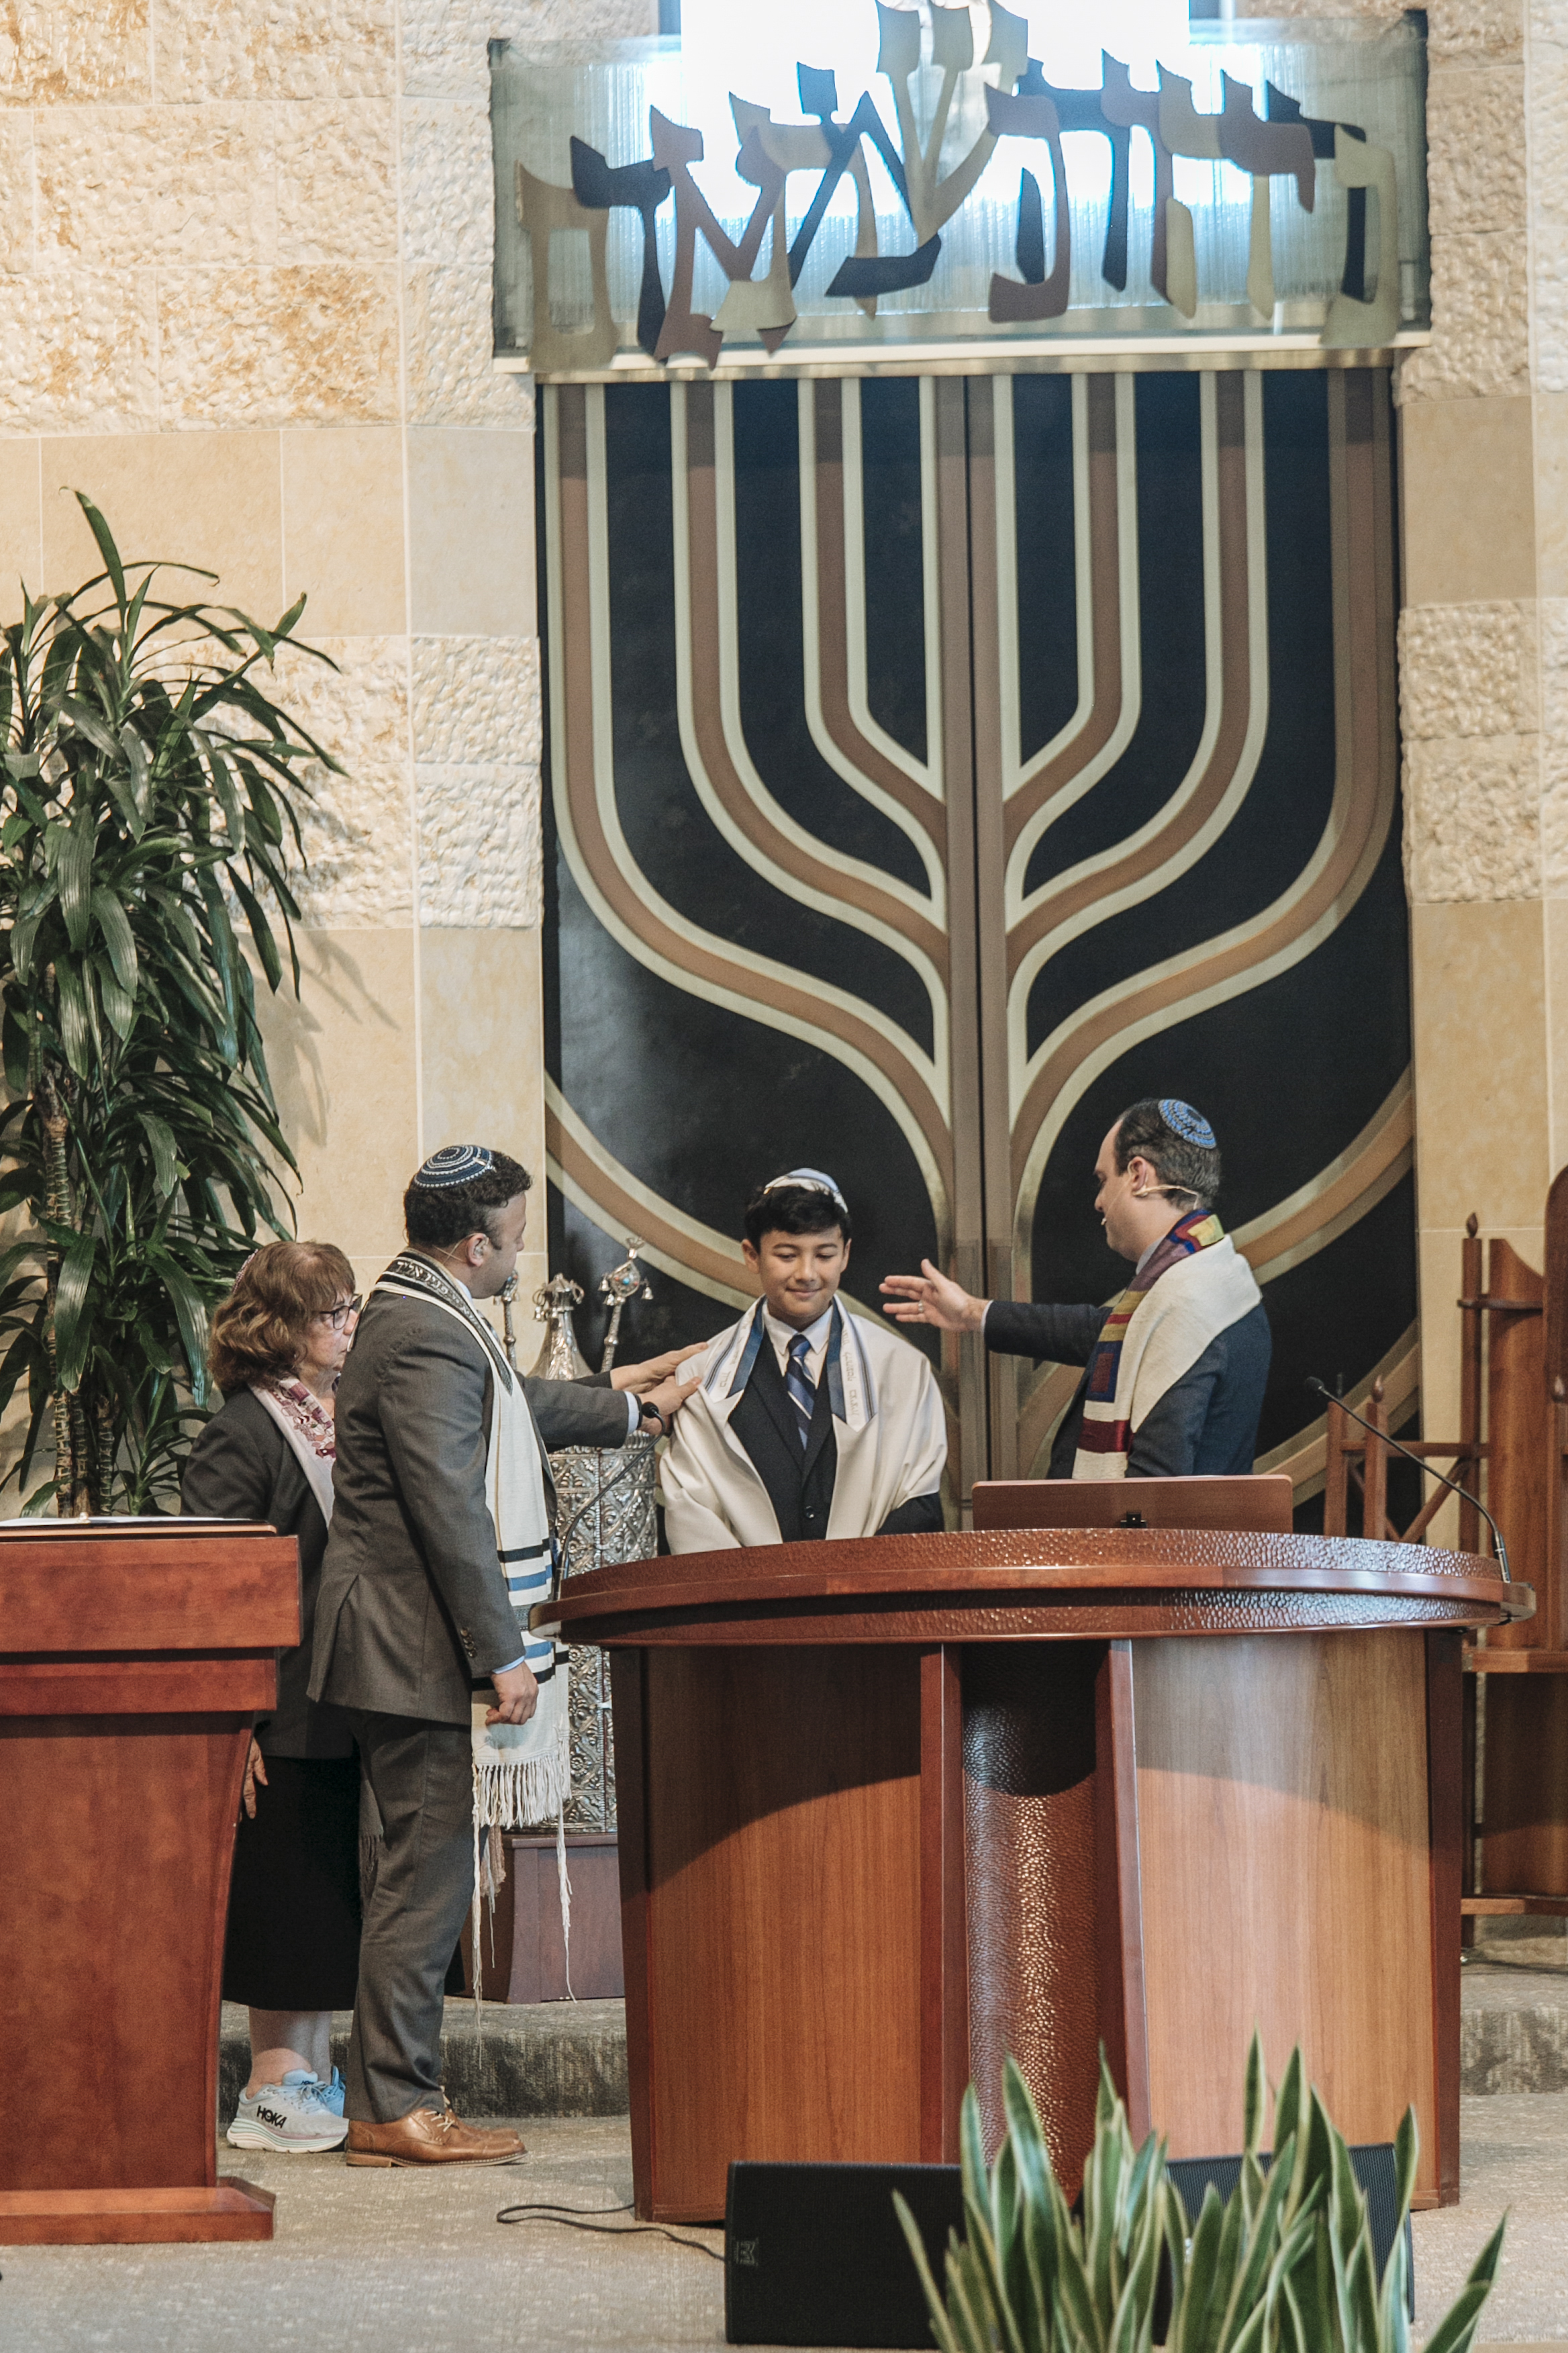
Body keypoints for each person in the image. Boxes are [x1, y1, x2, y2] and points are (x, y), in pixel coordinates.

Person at [308, 1145, 700, 2166]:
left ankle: (392, 2097)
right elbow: (449, 1508)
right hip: (412, 1650)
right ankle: (393, 2105)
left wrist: (627, 1404)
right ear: (477, 1246)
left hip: (404, 1644)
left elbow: (511, 1407)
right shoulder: (427, 1333)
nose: (523, 1256)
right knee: (423, 1881)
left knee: (420, 1872)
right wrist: (503, 1655)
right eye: (519, 1238)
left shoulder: (422, 1309)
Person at [182, 1241, 362, 2156]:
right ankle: (269, 2090)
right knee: (288, 1897)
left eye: (350, 1306)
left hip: (337, 1699)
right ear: (281, 1328)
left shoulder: (334, 1414)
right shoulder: (245, 1430)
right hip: (276, 1706)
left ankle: (309, 2076)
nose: (348, 1326)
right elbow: (212, 1585)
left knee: (322, 1896)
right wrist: (237, 1717)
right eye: (331, 1313)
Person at [881, 1099, 1270, 1478]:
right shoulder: (1214, 1275)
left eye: (1103, 1181)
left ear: (1138, 1175)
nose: (1099, 1202)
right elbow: (1094, 1329)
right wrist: (971, 1312)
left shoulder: (1185, 1302)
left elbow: (1153, 1489)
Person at [662, 1168, 947, 1550]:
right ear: (752, 1255)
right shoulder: (702, 1377)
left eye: (825, 1255)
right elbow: (691, 1513)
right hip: (748, 1588)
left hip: (868, 1583)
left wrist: (851, 1579)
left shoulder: (902, 1369)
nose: (807, 1274)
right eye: (787, 1255)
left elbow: (919, 1502)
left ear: (845, 1254)